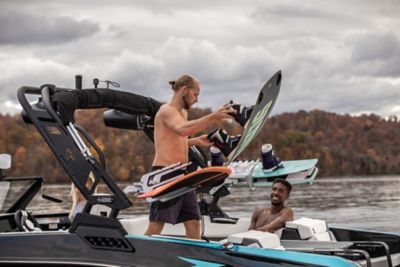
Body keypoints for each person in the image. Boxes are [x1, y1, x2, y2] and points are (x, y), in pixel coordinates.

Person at [144, 74, 235, 239]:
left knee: (194, 221)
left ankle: (195, 259)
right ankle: (138, 259)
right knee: (156, 225)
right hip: (165, 175)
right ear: (184, 90)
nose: (197, 99)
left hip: (183, 175)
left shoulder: (183, 113)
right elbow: (183, 130)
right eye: (196, 94)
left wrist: (196, 141)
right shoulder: (166, 111)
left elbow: (176, 141)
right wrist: (212, 117)